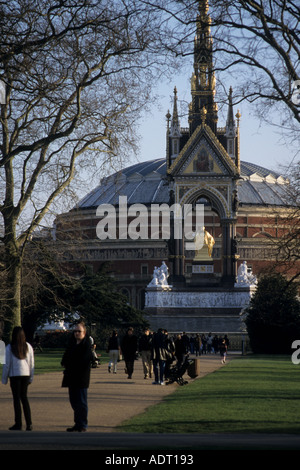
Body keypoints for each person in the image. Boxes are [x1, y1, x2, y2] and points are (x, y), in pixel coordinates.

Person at [61, 322, 94, 432]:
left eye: (79, 331)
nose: (76, 333)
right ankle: (77, 423)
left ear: (84, 332)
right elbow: (65, 358)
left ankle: (83, 424)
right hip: (71, 377)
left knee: (81, 402)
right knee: (73, 401)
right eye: (75, 331)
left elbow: (84, 361)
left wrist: (71, 364)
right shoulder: (72, 344)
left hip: (81, 378)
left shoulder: (86, 345)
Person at [2, 326, 34, 431]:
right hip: (25, 374)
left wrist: (4, 379)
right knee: (24, 398)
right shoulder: (28, 346)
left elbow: (7, 365)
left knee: (16, 400)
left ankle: (18, 423)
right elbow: (31, 363)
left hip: (15, 375)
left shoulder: (9, 347)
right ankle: (29, 423)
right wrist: (31, 377)